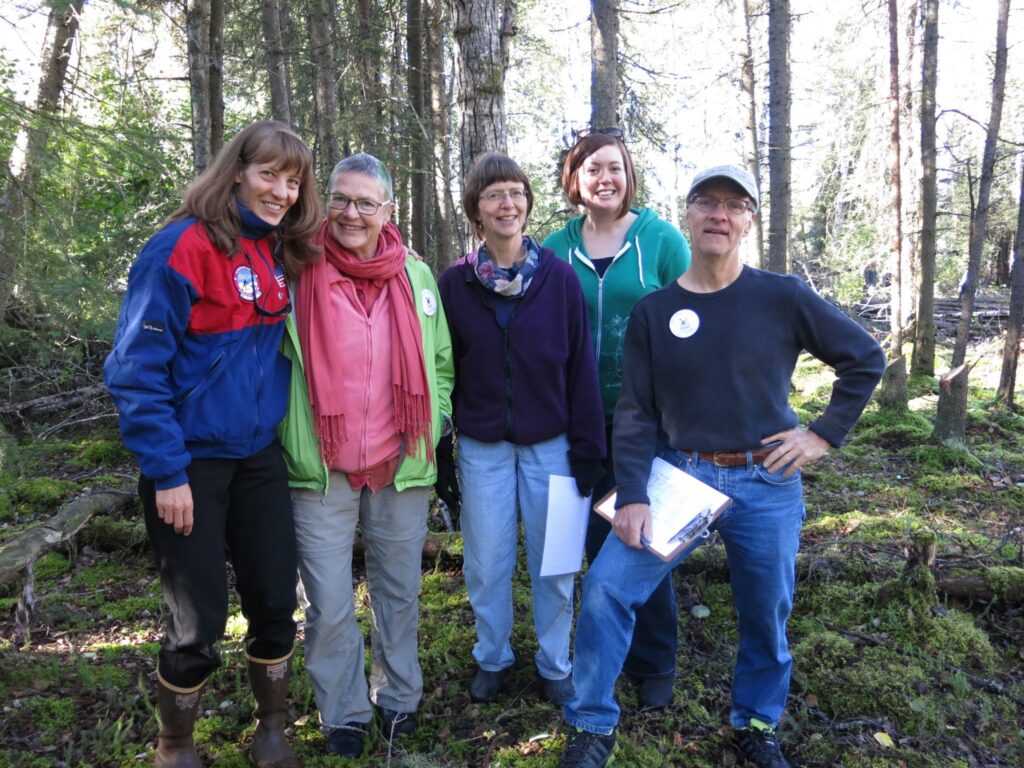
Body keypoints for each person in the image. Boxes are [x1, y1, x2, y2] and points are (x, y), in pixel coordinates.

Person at [557, 164, 885, 768]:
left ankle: (756, 723)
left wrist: (822, 434)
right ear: (687, 215)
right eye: (707, 202)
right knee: (607, 587)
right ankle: (591, 725)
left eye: (735, 206)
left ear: (749, 221)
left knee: (766, 611)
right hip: (681, 474)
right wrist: (633, 494)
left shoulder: (782, 296)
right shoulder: (656, 312)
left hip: (767, 479)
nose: (720, 215)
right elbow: (635, 413)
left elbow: (864, 358)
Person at [104, 121, 322, 768]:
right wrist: (167, 470)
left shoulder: (277, 251)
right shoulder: (179, 247)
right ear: (236, 172)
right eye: (268, 175)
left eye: (293, 181)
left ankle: (271, 729)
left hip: (258, 457)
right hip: (189, 462)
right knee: (197, 619)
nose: (281, 191)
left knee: (275, 601)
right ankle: (175, 746)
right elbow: (135, 370)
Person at [278, 152, 454, 759]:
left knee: (398, 592)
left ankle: (399, 696)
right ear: (325, 201)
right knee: (326, 602)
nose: (351, 213)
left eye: (365, 203)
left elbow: (441, 362)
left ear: (388, 210)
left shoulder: (417, 276)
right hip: (318, 466)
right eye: (341, 199)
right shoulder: (296, 268)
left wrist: (437, 417)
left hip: (401, 462)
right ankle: (344, 713)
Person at [438, 152, 605, 707]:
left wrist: (588, 447)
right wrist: (441, 448)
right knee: (487, 562)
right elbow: (443, 368)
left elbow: (581, 366)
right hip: (482, 447)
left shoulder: (559, 279)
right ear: (476, 211)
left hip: (553, 446)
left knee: (556, 563)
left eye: (516, 192)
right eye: (494, 195)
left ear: (528, 204)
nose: (507, 204)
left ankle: (555, 663)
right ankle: (493, 656)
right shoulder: (455, 284)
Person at [542, 128, 691, 708]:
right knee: (572, 544)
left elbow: (695, 314)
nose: (605, 179)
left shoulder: (660, 240)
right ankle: (573, 656)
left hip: (646, 424)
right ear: (574, 180)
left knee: (642, 541)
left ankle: (654, 661)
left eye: (614, 168)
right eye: (592, 169)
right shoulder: (554, 248)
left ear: (628, 175)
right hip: (571, 421)